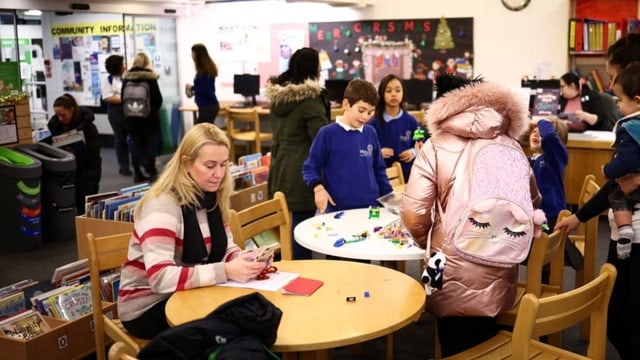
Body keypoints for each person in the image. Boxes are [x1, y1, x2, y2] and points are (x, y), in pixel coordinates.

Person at [399, 74, 542, 357]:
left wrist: (425, 243)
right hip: (501, 257)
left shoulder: (435, 146)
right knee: (487, 339)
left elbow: (414, 213)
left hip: (448, 263)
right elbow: (533, 200)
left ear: (443, 103)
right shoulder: (510, 144)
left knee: (453, 343)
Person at [117, 123, 269, 339]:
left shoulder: (213, 195)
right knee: (238, 326)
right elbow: (160, 278)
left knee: (254, 314)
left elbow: (225, 249)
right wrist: (226, 271)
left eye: (224, 164)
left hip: (192, 292)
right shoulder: (162, 205)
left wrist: (245, 258)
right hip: (148, 306)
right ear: (186, 163)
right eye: (210, 165)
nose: (218, 174)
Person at [554, 32, 640, 360]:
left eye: (616, 79)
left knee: (625, 321)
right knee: (618, 318)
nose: (611, 88)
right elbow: (617, 183)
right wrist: (579, 215)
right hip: (625, 232)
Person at [265, 47, 331, 259]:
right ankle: (302, 267)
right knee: (301, 224)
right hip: (302, 168)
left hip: (279, 164)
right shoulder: (311, 100)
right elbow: (321, 139)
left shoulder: (278, 98)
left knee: (284, 222)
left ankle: (285, 265)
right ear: (313, 69)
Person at [302, 79, 392, 214]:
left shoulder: (370, 133)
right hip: (337, 211)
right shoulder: (327, 134)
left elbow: (379, 169)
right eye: (361, 110)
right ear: (346, 104)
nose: (365, 117)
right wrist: (318, 189)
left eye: (370, 112)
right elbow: (310, 167)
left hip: (370, 210)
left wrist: (390, 198)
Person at [602, 62, 640, 261]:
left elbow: (624, 160)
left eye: (619, 99)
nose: (617, 104)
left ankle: (624, 229)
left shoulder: (630, 127)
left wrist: (608, 170)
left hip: (636, 228)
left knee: (617, 195)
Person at [47, 94, 102, 215]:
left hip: (87, 170)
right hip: (66, 172)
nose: (60, 118)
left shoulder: (88, 127)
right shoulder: (54, 127)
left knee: (88, 204)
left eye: (63, 115)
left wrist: (76, 153)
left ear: (71, 110)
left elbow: (94, 151)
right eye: (57, 115)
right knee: (71, 202)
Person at [368, 73, 421, 182]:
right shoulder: (373, 124)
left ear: (403, 93)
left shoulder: (412, 121)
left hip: (408, 174)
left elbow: (420, 143)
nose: (393, 94)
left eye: (397, 90)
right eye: (388, 91)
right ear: (381, 94)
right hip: (381, 175)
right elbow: (365, 149)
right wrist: (378, 153)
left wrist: (413, 152)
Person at [122, 52, 163, 183]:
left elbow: (123, 98)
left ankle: (137, 173)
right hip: (148, 120)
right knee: (149, 146)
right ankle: (151, 172)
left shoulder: (127, 78)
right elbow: (158, 100)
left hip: (131, 120)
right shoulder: (150, 78)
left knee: (135, 147)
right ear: (146, 63)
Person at [528, 117, 569, 232]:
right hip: (532, 213)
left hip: (549, 216)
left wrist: (542, 121)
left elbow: (550, 138)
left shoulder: (556, 158)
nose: (536, 135)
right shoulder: (530, 159)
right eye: (534, 132)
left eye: (541, 134)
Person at [101, 54, 132, 176]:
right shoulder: (107, 80)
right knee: (120, 139)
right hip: (116, 111)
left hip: (129, 109)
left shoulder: (127, 77)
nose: (124, 66)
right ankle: (124, 167)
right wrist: (126, 98)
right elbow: (108, 98)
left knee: (134, 138)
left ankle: (138, 164)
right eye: (122, 64)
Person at [185, 44, 220, 124]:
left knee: (200, 132)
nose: (191, 55)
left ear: (198, 54)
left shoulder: (205, 71)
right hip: (207, 106)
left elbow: (206, 90)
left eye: (193, 53)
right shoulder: (203, 69)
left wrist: (192, 88)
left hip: (208, 106)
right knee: (202, 131)